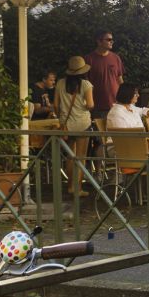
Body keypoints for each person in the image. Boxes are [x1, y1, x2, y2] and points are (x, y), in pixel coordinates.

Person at [53, 57, 96, 195]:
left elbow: (55, 104)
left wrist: (61, 117)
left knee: (70, 156)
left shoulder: (60, 83)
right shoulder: (86, 85)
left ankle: (70, 186)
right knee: (81, 156)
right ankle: (78, 188)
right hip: (82, 124)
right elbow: (90, 105)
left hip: (66, 124)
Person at [85, 31, 124, 121]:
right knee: (100, 134)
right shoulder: (88, 59)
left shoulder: (116, 58)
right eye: (109, 39)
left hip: (116, 105)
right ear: (99, 42)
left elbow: (120, 79)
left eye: (112, 40)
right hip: (97, 106)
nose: (112, 41)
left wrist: (125, 99)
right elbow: (84, 83)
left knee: (116, 133)